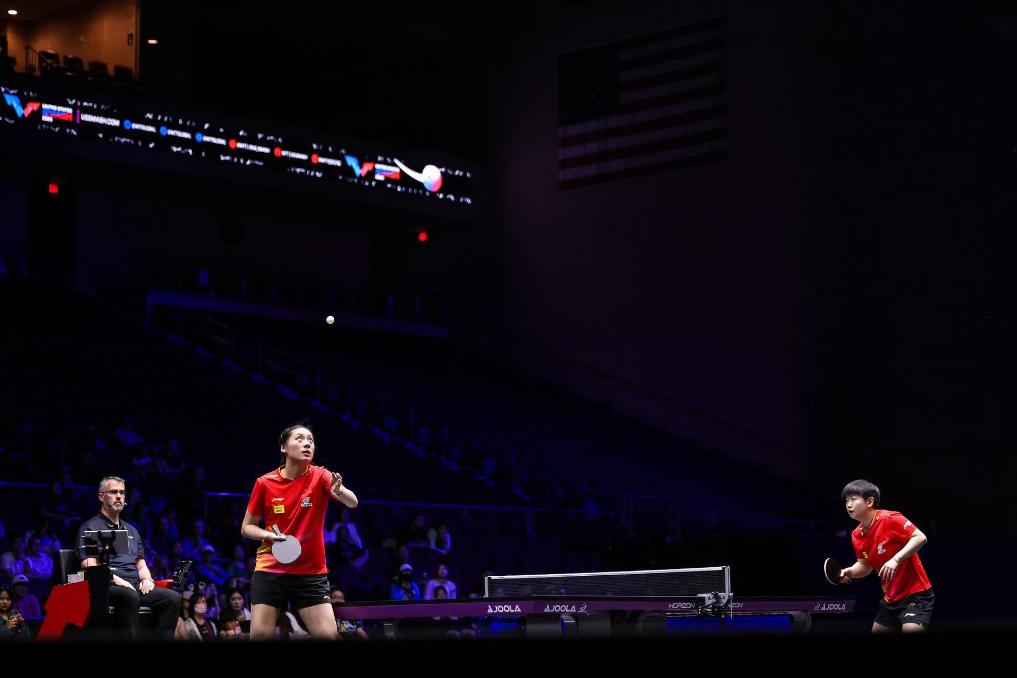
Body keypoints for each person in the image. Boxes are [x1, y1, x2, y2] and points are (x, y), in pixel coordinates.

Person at [241, 424, 358, 640]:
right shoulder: (264, 483)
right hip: (271, 570)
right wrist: (268, 535)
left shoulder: (321, 476)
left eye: (311, 440)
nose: (307, 444)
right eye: (300, 438)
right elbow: (247, 527)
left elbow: (353, 502)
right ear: (284, 447)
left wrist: (340, 490)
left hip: (311, 573)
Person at [76, 475, 182, 639]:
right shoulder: (90, 527)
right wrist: (115, 579)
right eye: (113, 492)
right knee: (129, 595)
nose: (119, 496)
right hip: (106, 586)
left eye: (122, 492)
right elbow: (89, 564)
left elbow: (141, 564)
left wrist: (147, 579)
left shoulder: (132, 530)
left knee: (173, 598)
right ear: (101, 497)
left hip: (133, 585)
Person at [838, 479, 934, 633]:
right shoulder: (856, 535)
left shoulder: (890, 518)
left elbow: (920, 537)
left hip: (916, 595)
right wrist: (850, 571)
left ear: (869, 501)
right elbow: (865, 566)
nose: (848, 504)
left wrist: (895, 560)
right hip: (890, 598)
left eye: (853, 499)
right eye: (846, 500)